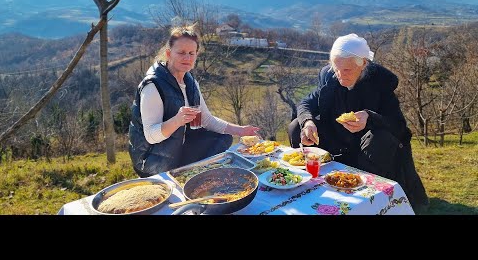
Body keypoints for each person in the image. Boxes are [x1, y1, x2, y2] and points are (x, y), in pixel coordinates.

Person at [288, 33, 428, 211]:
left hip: (366, 149)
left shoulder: (381, 84)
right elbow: (306, 102)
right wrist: (308, 122)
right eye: (336, 68)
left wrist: (370, 118)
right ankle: (309, 181)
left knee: (380, 138)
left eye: (347, 70)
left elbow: (398, 125)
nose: (340, 75)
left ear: (363, 64)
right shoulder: (329, 76)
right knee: (296, 127)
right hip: (336, 142)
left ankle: (366, 197)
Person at [128, 24, 260, 177]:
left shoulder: (190, 82)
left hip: (179, 147)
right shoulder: (153, 85)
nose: (187, 58)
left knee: (223, 138)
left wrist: (241, 130)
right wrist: (177, 120)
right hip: (152, 159)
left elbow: (207, 120)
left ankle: (197, 173)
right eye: (181, 53)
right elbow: (151, 136)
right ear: (169, 54)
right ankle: (190, 174)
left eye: (192, 53)